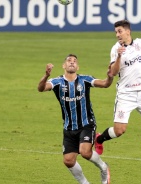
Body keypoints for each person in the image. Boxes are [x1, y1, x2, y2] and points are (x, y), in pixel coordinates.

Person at [95, 0, 141, 158]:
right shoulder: (116, 49)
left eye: (119, 31)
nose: (117, 35)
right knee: (119, 131)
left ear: (128, 31)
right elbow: (113, 73)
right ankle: (99, 139)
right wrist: (120, 56)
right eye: (115, 32)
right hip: (125, 94)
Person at [37, 54, 113, 184]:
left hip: (86, 124)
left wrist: (110, 76)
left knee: (85, 152)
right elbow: (41, 88)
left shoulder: (85, 80)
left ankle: (104, 168)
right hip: (69, 127)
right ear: (64, 65)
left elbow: (105, 84)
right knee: (68, 161)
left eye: (74, 61)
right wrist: (46, 75)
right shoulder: (57, 82)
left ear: (77, 67)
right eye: (69, 60)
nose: (71, 62)